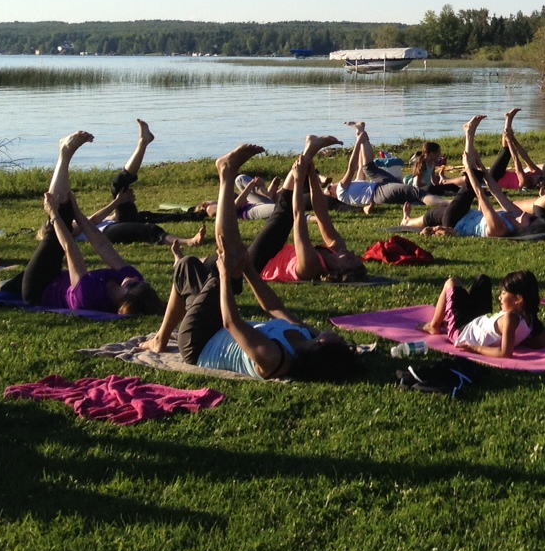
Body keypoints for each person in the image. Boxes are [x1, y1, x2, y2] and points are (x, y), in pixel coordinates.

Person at [145, 145, 359, 380]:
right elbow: (274, 306)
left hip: (200, 341)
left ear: (322, 347)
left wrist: (227, 276)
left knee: (230, 260)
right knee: (189, 267)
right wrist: (248, 269)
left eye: (341, 342)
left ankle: (226, 174)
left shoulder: (274, 358)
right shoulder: (309, 335)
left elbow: (232, 322)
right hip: (216, 325)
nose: (342, 337)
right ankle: (160, 340)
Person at [0, 132, 160, 315]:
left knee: (59, 217)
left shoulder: (88, 296)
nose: (132, 278)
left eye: (133, 285)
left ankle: (65, 153)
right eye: (140, 281)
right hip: (59, 279)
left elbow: (69, 247)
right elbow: (102, 245)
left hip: (39, 288)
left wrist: (54, 214)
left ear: (125, 299)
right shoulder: (131, 278)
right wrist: (78, 213)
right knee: (13, 284)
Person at [398, 118, 545, 237]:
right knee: (431, 215)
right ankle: (407, 221)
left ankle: (469, 134)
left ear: (525, 228)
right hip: (465, 213)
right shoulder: (517, 216)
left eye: (531, 219)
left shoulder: (500, 229)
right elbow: (497, 192)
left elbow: (480, 194)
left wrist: (469, 168)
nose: (529, 214)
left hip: (456, 220)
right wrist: (482, 165)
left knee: (472, 179)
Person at [250, 137, 370, 282]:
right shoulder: (337, 249)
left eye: (350, 259)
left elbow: (298, 215)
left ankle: (310, 149)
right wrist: (312, 174)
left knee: (283, 213)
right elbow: (322, 214)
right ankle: (310, 150)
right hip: (278, 252)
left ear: (338, 270)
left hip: (259, 263)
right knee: (282, 210)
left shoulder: (311, 266)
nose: (351, 252)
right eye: (354, 255)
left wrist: (299, 180)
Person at [87, 121, 207, 248]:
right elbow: (90, 223)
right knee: (147, 229)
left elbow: (97, 220)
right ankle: (189, 242)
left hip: (111, 222)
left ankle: (144, 141)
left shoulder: (67, 216)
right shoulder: (64, 226)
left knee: (119, 184)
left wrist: (118, 212)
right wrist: (118, 202)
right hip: (103, 233)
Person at [420, 270, 545, 358]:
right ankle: (456, 310)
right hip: (479, 321)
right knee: (483, 279)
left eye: (503, 294)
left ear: (518, 299)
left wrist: (475, 349)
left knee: (451, 283)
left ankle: (434, 326)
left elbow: (505, 353)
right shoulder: (531, 318)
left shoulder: (511, 318)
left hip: (462, 330)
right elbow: (542, 343)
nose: (499, 298)